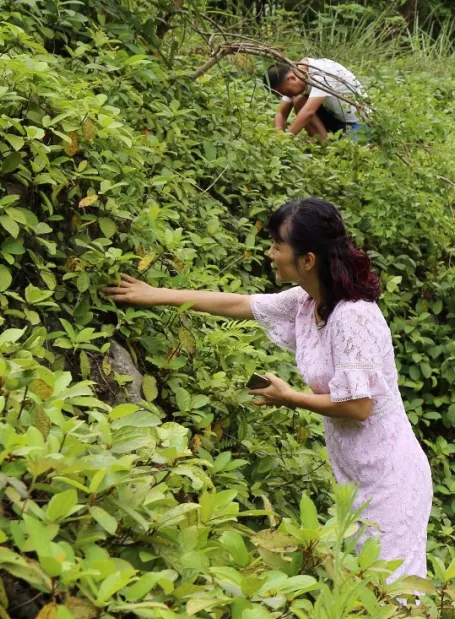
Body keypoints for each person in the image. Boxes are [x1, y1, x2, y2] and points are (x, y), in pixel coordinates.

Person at [102, 198, 432, 585]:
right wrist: (155, 293)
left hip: (390, 478)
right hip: (357, 471)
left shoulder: (352, 317)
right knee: (363, 586)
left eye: (278, 246)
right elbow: (239, 303)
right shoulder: (308, 302)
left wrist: (289, 397)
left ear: (307, 260)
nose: (270, 253)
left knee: (394, 594)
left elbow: (359, 406)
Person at [264, 59, 370, 145]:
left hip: (359, 122)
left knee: (347, 152)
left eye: (287, 92)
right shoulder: (298, 75)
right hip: (337, 119)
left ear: (291, 78)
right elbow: (281, 113)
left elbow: (308, 112)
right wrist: (278, 135)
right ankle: (324, 144)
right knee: (298, 100)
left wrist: (285, 139)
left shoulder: (321, 73)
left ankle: (329, 146)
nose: (287, 96)